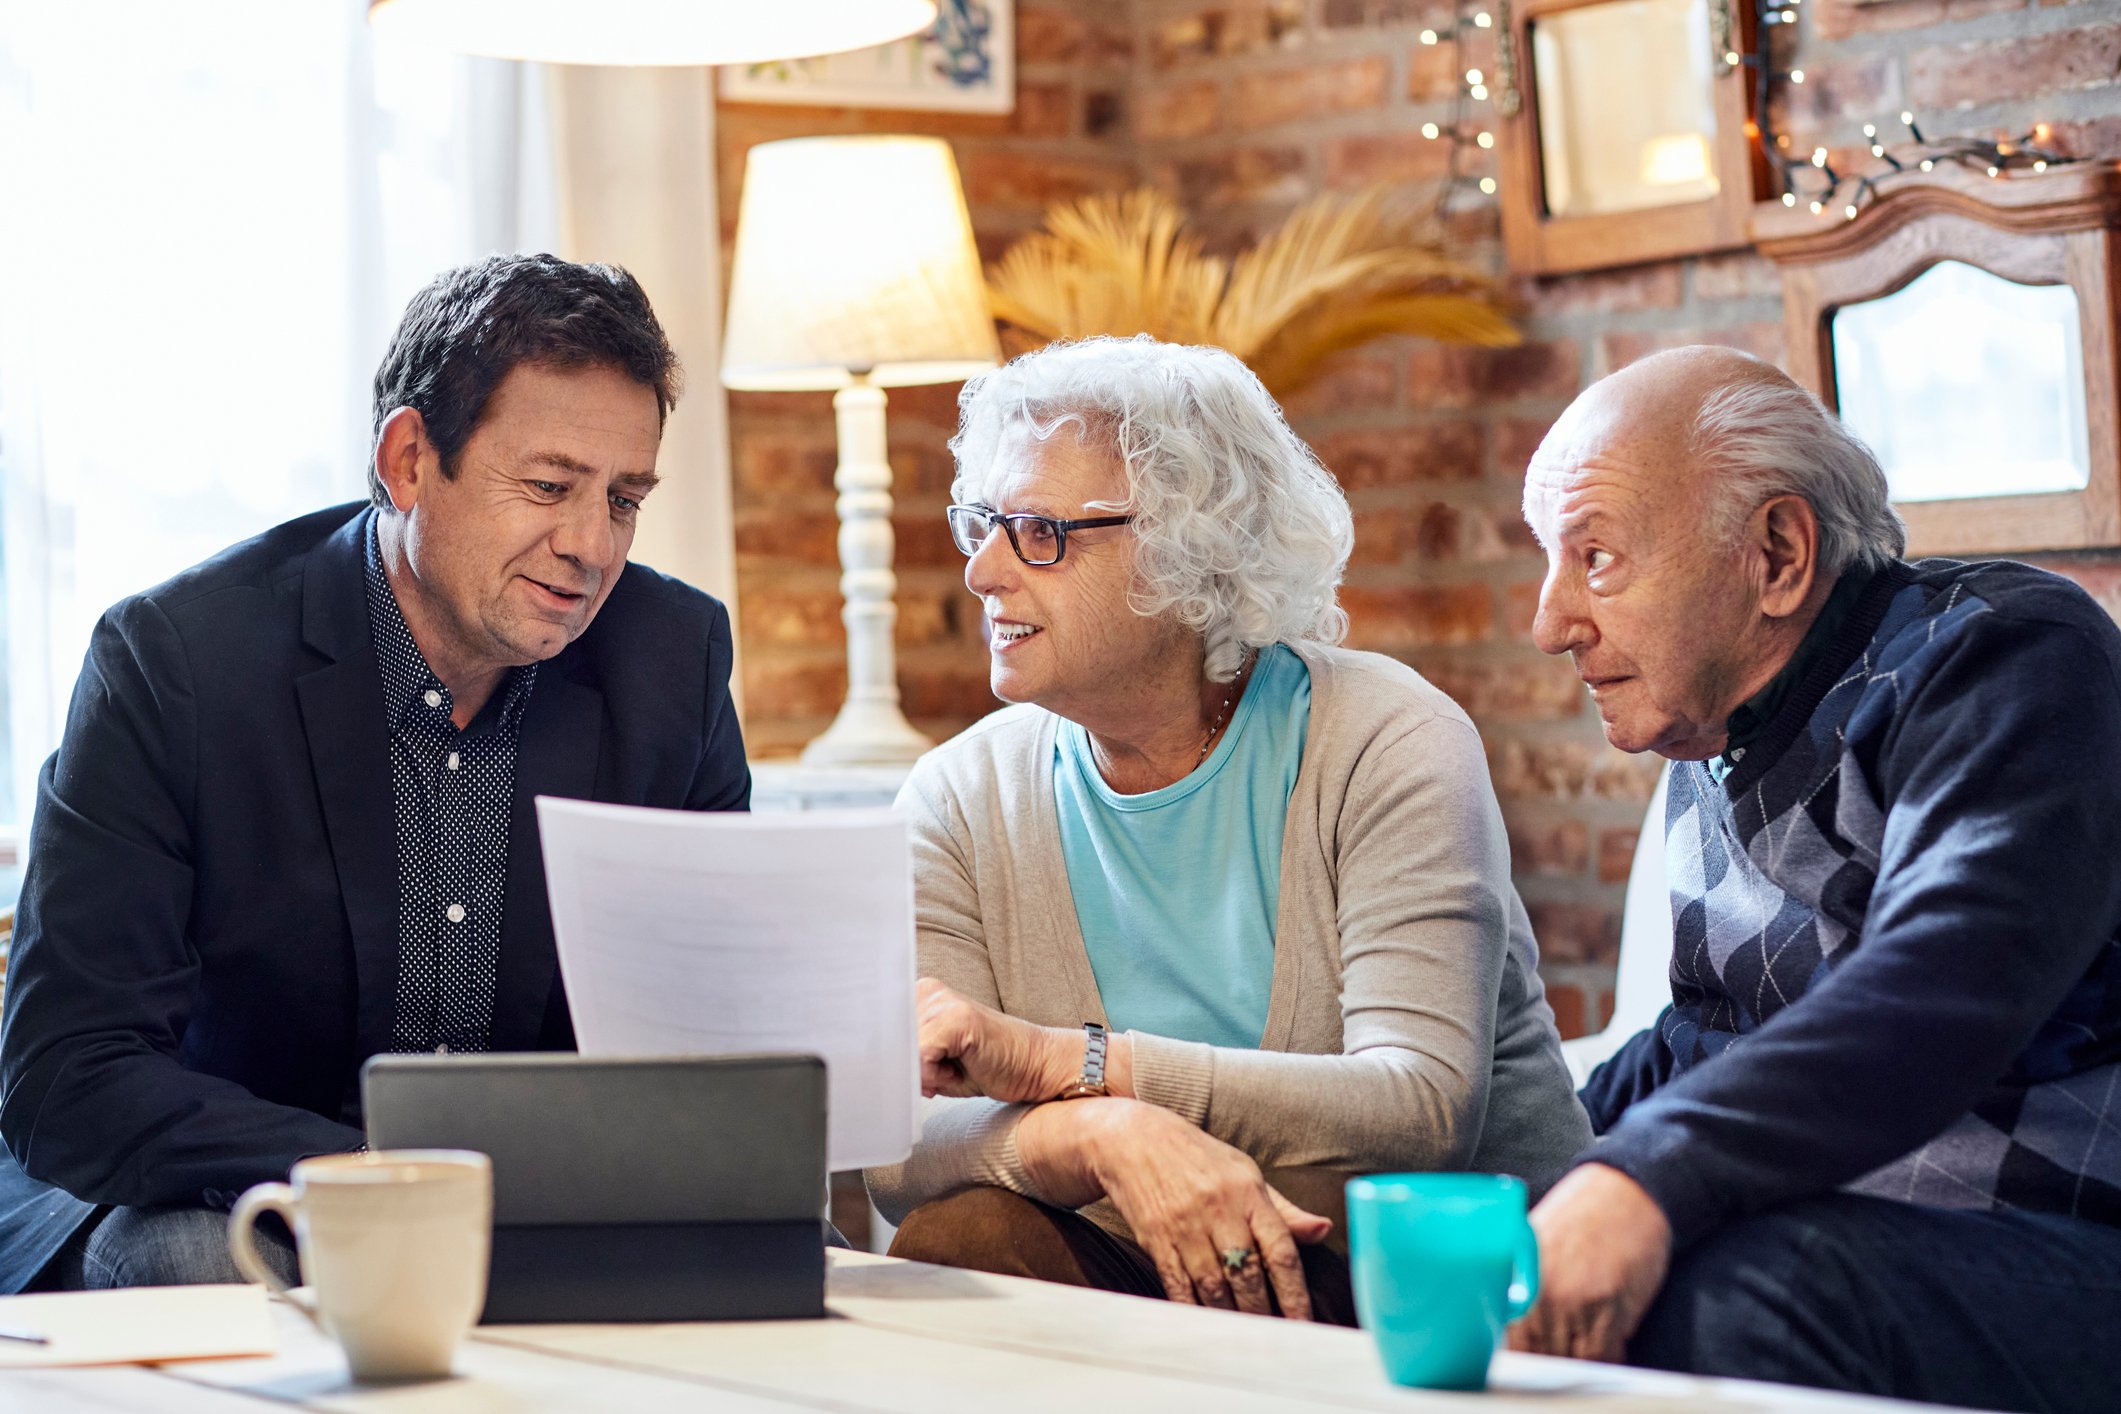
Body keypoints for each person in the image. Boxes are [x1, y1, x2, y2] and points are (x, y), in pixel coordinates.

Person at [0, 254, 750, 1293]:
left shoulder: (673, 658)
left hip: (533, 1204)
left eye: (624, 499)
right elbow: (67, 1075)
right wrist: (380, 1179)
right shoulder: (178, 661)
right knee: (209, 1261)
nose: (589, 546)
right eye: (547, 486)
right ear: (408, 459)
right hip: (235, 1194)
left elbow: (711, 1036)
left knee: (812, 1270)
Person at [865, 335, 1591, 1323]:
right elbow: (897, 1145)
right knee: (956, 1243)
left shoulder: (1387, 738)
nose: (984, 571)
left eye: (1040, 530)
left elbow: (1420, 1109)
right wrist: (1102, 1134)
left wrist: (1068, 1065)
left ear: (1187, 549)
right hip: (1149, 1285)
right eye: (984, 523)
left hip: (1421, 1294)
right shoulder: (957, 794)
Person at [1509, 345, 2121, 1412]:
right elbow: (1700, 1039)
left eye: (1596, 557)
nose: (1550, 621)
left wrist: (1640, 1177)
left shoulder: (2005, 655)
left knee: (1742, 1290)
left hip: (2060, 1234)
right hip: (1858, 1234)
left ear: (1779, 553)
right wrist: (1506, 1172)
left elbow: (1941, 986)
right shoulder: (1711, 736)